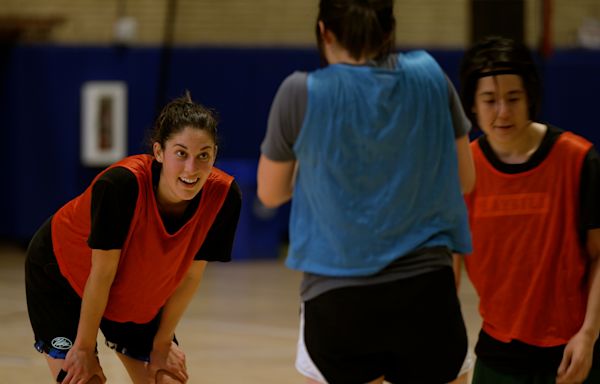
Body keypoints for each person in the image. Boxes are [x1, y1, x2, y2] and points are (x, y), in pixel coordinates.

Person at [256, 0, 476, 382]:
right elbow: (464, 179)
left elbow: (270, 193)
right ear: (389, 29)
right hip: (426, 293)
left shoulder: (298, 92)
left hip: (337, 299)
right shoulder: (429, 75)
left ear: (324, 31)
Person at [25, 92, 241, 383]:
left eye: (203, 155)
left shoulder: (224, 197)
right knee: (83, 379)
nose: (192, 168)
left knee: (166, 378)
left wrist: (162, 342)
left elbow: (190, 276)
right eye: (181, 153)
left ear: (214, 154)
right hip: (61, 274)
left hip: (132, 285)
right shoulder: (120, 185)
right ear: (159, 152)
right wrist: (84, 348)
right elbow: (101, 274)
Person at [455, 35, 600, 383]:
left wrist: (588, 335)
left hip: (571, 355)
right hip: (497, 354)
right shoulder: (462, 170)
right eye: (489, 100)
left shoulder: (579, 159)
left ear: (530, 97)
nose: (502, 111)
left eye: (513, 98)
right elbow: (449, 263)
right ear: (472, 105)